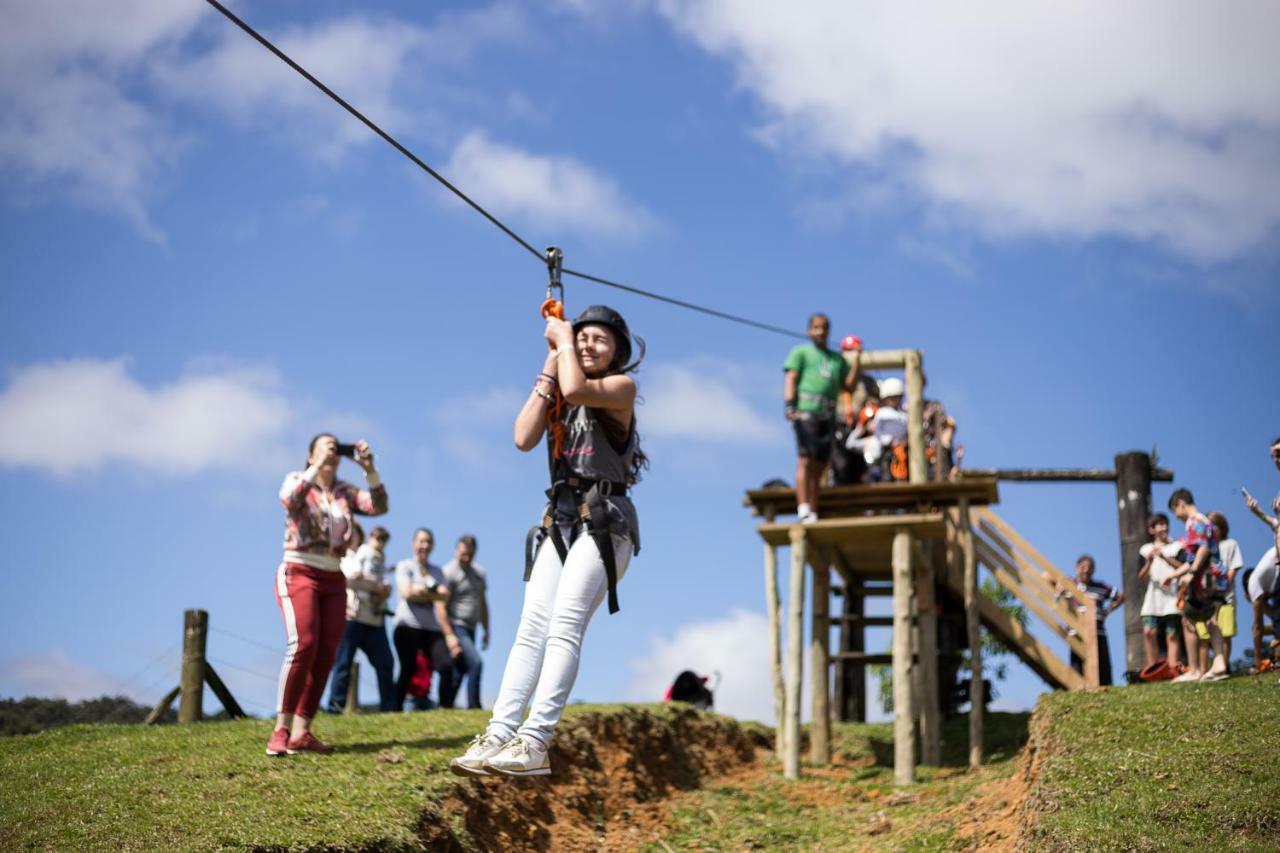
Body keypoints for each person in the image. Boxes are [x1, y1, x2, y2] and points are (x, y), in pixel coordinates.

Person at [450, 304, 645, 778]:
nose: (587, 345)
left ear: (618, 352)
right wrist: (549, 364)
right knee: (530, 628)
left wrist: (561, 339)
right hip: (559, 523)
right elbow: (522, 436)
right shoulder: (560, 389)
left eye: (599, 340)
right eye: (583, 339)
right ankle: (500, 731)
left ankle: (536, 739)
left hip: (604, 522)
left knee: (564, 624)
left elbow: (579, 386)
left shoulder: (620, 389)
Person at [268, 435, 387, 756]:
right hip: (299, 570)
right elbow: (291, 500)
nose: (333, 451)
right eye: (326, 446)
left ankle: (302, 731)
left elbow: (378, 506)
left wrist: (369, 470)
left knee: (327, 651)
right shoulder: (297, 479)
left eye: (336, 448)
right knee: (303, 644)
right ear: (310, 454)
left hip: (334, 575)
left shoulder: (345, 491)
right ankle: (281, 729)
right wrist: (315, 467)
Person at [783, 313, 854, 522]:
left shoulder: (836, 360)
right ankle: (803, 506)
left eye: (823, 328)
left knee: (821, 464)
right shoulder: (800, 353)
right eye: (815, 327)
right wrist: (789, 404)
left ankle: (813, 510)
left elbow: (848, 385)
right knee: (805, 459)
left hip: (828, 415)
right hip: (806, 411)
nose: (820, 332)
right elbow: (790, 378)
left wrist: (856, 360)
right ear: (808, 330)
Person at [325, 525, 396, 714]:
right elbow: (348, 580)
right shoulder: (343, 559)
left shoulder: (374, 557)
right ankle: (335, 707)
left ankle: (389, 708)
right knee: (343, 662)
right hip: (352, 618)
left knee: (385, 662)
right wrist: (376, 587)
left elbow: (376, 584)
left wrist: (383, 590)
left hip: (374, 620)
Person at [392, 528, 463, 709]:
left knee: (446, 666)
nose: (425, 545)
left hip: (431, 628)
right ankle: (396, 707)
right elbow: (407, 592)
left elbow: (445, 596)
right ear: (413, 543)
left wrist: (421, 591)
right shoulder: (405, 566)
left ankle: (445, 708)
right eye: (421, 541)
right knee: (407, 668)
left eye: (428, 542)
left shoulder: (437, 571)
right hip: (406, 625)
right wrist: (432, 592)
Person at [1164, 488, 1229, 683]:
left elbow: (1202, 548)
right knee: (1201, 618)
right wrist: (1174, 575)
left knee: (1200, 619)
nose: (1177, 517)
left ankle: (1202, 667)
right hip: (1210, 574)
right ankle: (1215, 663)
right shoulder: (1202, 521)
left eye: (1176, 511)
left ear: (1181, 503)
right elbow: (1192, 558)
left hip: (1205, 576)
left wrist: (1192, 574)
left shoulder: (1195, 521)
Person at [440, 534, 490, 710]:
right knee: (476, 663)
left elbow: (482, 602)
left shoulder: (479, 573)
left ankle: (446, 706)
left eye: (470, 554)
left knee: (460, 670)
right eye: (463, 554)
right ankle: (474, 706)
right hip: (456, 626)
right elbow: (441, 606)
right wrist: (449, 635)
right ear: (456, 551)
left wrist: (486, 629)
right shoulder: (449, 573)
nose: (466, 558)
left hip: (471, 627)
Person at [1063, 555, 1123, 686]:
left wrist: (1106, 612)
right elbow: (1051, 584)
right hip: (1076, 631)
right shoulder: (1069, 584)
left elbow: (1120, 597)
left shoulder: (1101, 586)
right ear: (1076, 568)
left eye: (1089, 568)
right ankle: (1077, 689)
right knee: (1077, 663)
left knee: (1102, 665)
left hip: (1098, 631)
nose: (1086, 570)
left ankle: (1104, 689)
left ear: (1093, 571)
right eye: (1083, 567)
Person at [1137, 513, 1186, 669]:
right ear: (1152, 529)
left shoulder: (1177, 547)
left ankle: (1173, 668)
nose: (1164, 527)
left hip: (1172, 595)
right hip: (1153, 596)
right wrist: (1149, 561)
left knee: (1172, 635)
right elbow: (1140, 576)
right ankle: (1154, 668)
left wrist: (1165, 558)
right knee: (1149, 631)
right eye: (1160, 524)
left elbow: (1184, 567)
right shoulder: (1145, 549)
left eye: (1165, 524)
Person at [1197, 512, 1242, 673]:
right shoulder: (1204, 546)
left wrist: (1223, 581)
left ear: (1222, 527)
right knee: (1206, 634)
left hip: (1226, 598)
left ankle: (1224, 665)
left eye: (1214, 525)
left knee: (1226, 633)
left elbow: (1233, 569)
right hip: (1208, 599)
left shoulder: (1231, 544)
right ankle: (1207, 669)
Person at [1243, 547, 1279, 669]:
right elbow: (1275, 617)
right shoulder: (1267, 582)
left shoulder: (1253, 584)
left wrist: (1258, 662)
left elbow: (1258, 627)